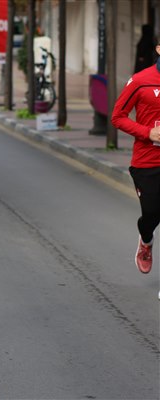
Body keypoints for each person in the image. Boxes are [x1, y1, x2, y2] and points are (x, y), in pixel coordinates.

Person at [111, 42, 160, 287]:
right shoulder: (141, 81)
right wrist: (147, 133)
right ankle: (146, 239)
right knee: (151, 213)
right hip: (147, 161)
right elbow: (118, 117)